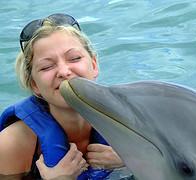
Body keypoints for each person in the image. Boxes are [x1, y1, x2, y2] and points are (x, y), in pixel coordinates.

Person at [0, 13, 124, 180]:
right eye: (46, 67)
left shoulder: (127, 124)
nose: (64, 72)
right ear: (34, 84)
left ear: (94, 65)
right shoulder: (11, 144)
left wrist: (129, 163)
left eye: (74, 58)